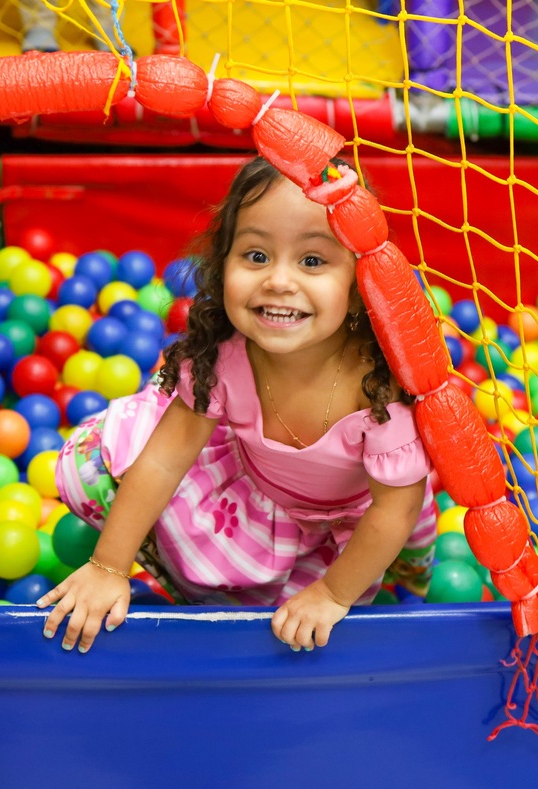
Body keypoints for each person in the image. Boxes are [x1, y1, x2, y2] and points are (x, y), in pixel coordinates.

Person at [39, 157, 437, 653]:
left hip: (346, 526)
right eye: (255, 255)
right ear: (221, 263)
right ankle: (179, 576)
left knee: (288, 628)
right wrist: (108, 567)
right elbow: (164, 459)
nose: (278, 281)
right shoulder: (226, 356)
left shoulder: (378, 390)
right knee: (89, 469)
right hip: (248, 488)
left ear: (360, 290)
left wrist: (331, 595)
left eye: (312, 261)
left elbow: (392, 513)